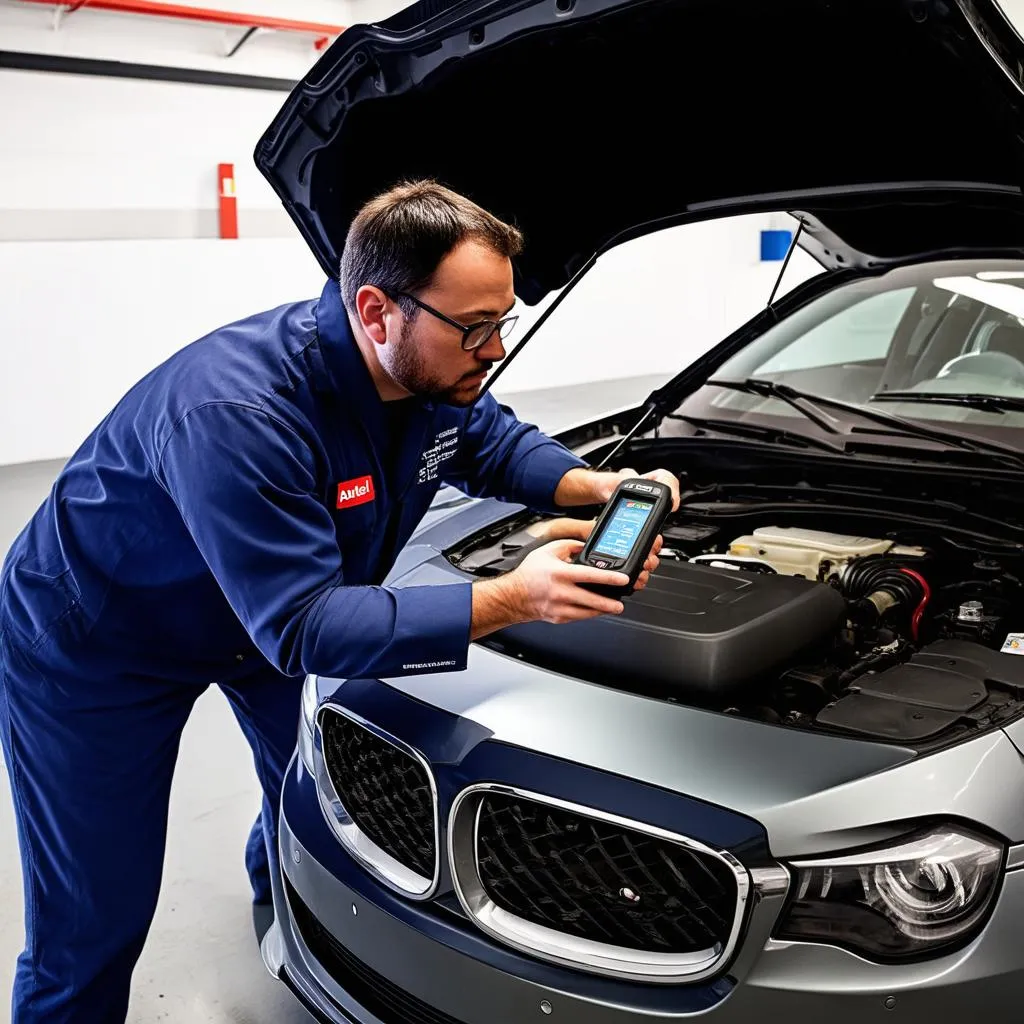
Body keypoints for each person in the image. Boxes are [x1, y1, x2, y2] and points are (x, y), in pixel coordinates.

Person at [0, 179, 679, 1022]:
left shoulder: (429, 376)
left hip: (253, 626)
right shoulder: (240, 411)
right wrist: (512, 598)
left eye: (503, 322)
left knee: (313, 793)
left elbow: (490, 441)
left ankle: (285, 908)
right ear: (377, 309)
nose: (494, 348)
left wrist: (594, 483)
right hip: (99, 643)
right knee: (94, 914)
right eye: (475, 327)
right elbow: (305, 625)